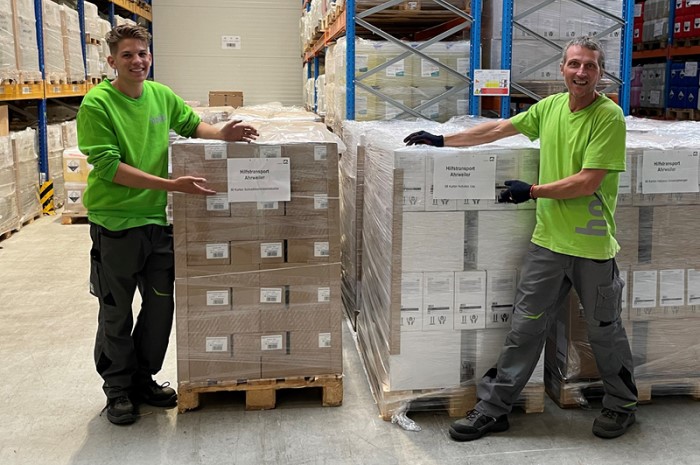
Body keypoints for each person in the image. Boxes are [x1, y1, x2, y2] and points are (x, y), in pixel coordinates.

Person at [404, 36, 638, 441]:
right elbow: (498, 128)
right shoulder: (549, 109)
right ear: (562, 69)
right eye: (575, 64)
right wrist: (443, 140)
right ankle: (494, 409)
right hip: (548, 243)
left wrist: (531, 191)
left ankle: (622, 406)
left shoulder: (608, 117)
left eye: (590, 67)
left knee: (605, 331)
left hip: (591, 246)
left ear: (600, 73)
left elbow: (588, 181)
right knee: (524, 328)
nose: (581, 72)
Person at [77, 24, 259, 425]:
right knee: (116, 312)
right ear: (112, 61)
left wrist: (222, 134)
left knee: (160, 307)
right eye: (127, 55)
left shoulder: (160, 94)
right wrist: (172, 185)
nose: (137, 61)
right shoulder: (97, 104)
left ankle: (144, 379)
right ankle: (118, 389)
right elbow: (109, 167)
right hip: (118, 224)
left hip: (159, 222)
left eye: (142, 53)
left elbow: (192, 124)